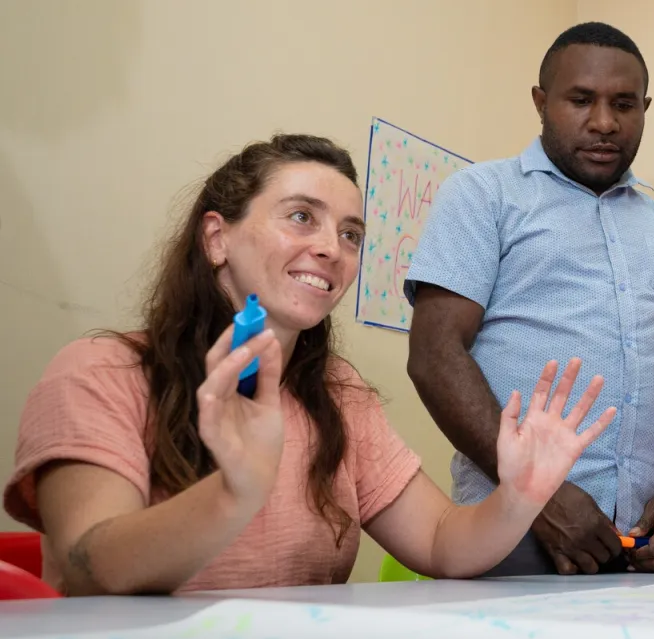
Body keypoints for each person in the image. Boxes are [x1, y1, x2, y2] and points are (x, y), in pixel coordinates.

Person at [2, 135, 613, 594]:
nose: (331, 248)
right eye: (301, 217)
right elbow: (90, 568)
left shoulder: (341, 397)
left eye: (350, 234)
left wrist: (520, 498)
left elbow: (439, 542)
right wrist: (233, 492)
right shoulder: (101, 372)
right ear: (216, 238)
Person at [405, 22, 654, 577]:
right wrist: (536, 494)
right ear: (541, 102)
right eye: (580, 100)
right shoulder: (484, 195)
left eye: (624, 104)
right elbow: (435, 354)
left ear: (645, 108)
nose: (604, 122)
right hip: (508, 536)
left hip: (639, 551)